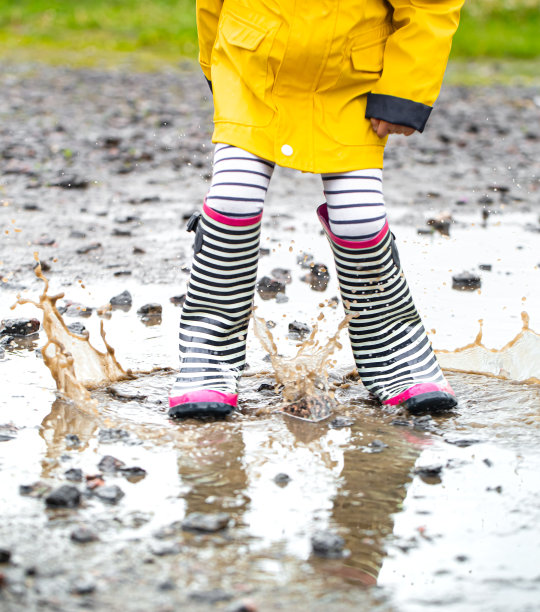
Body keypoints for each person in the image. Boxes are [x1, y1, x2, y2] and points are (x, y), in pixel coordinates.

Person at [168, 0, 464, 418]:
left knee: (360, 219)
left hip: (349, 79)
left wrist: (405, 89)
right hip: (251, 65)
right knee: (233, 197)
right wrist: (213, 61)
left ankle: (393, 344)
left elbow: (430, 5)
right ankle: (209, 349)